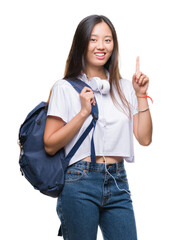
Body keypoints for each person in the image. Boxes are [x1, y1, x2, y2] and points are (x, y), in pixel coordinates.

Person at [44, 15, 152, 240]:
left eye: (107, 40)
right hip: (79, 181)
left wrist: (141, 96)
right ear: (82, 44)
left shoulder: (124, 87)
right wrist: (83, 112)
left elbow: (144, 138)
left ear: (114, 45)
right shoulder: (64, 88)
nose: (101, 46)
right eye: (93, 40)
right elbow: (50, 145)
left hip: (118, 181)